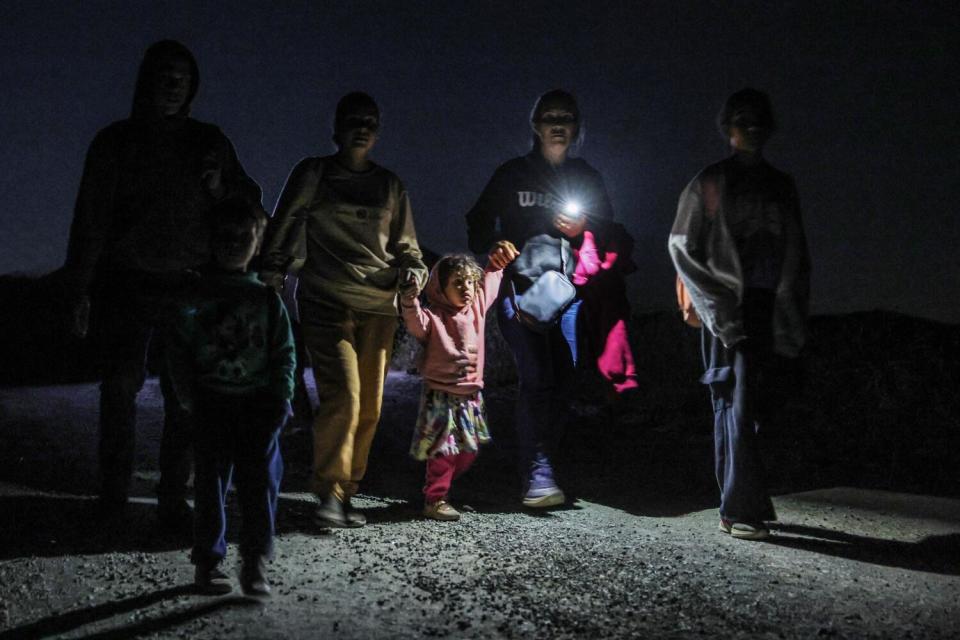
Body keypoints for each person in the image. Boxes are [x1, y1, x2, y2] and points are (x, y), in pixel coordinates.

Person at [61, 40, 262, 526]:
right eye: (163, 74)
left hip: (191, 284)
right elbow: (90, 220)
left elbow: (250, 202)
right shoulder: (115, 142)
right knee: (118, 386)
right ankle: (113, 493)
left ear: (192, 86)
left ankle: (174, 495)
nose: (171, 84)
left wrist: (219, 188)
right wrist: (77, 289)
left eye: (181, 76)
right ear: (145, 79)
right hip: (126, 283)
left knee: (185, 395)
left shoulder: (208, 141)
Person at [259, 92, 428, 528]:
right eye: (354, 120)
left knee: (370, 405)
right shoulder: (314, 172)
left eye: (371, 121)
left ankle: (348, 493)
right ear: (336, 128)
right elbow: (284, 223)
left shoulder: (390, 185)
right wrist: (271, 275)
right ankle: (329, 493)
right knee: (344, 397)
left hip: (379, 306)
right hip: (326, 296)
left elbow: (407, 248)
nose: (363, 127)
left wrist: (414, 274)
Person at [668, 88, 810, 540]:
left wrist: (792, 312)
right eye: (741, 119)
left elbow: (797, 251)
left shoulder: (780, 184)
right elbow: (682, 247)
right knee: (733, 399)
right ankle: (739, 508)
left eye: (758, 119)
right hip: (726, 307)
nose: (750, 127)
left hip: (768, 304)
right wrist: (717, 307)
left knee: (753, 404)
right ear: (727, 126)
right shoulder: (710, 181)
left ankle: (741, 501)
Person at [466, 89, 615, 508]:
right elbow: (477, 222)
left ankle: (544, 459)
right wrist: (494, 243)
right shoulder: (512, 173)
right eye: (549, 116)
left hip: (567, 295)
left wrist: (585, 225)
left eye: (566, 117)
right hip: (522, 290)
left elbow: (609, 228)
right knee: (536, 377)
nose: (557, 124)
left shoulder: (586, 175)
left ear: (576, 127)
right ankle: (537, 472)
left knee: (564, 379)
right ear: (535, 125)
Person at [165, 198, 294, 596]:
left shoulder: (267, 300)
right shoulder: (194, 298)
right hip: (212, 404)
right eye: (226, 236)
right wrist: (189, 398)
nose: (235, 243)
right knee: (210, 488)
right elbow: (177, 351)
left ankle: (254, 564)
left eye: (245, 236)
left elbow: (283, 353)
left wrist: (280, 399)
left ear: (257, 243)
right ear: (210, 240)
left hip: (258, 407)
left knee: (259, 489)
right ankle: (208, 562)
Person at [401, 249, 517, 520]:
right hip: (440, 396)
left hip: (470, 398)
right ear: (441, 288)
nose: (466, 288)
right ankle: (435, 499)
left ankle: (441, 486)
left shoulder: (476, 307)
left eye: (469, 282)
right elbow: (415, 323)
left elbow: (490, 278)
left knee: (468, 452)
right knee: (444, 450)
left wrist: (496, 263)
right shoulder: (433, 317)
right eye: (457, 282)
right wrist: (409, 300)